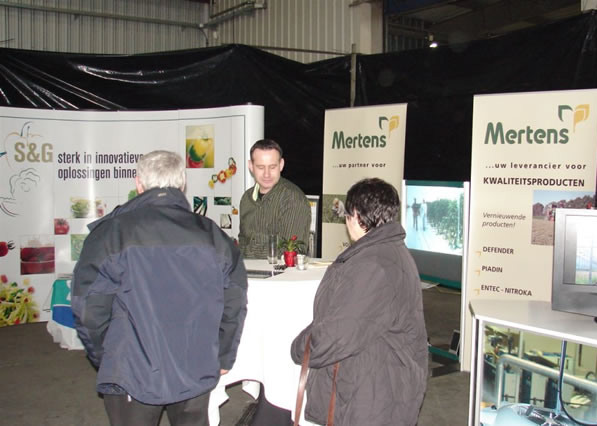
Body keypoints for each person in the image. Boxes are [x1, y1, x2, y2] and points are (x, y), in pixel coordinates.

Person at [71, 150, 248, 426]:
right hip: (196, 366)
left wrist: (106, 356)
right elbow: (234, 300)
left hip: (131, 372)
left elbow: (88, 309)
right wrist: (223, 354)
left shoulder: (112, 233)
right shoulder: (213, 234)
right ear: (182, 183)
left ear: (138, 183)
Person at [291, 178, 429, 426]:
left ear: (355, 215)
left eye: (347, 215)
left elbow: (340, 332)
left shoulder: (372, 265)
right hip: (380, 384)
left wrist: (301, 348)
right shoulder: (388, 251)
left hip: (375, 395)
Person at [239, 139, 311, 258]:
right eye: (260, 167)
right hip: (247, 269)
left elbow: (290, 250)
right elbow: (242, 239)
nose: (266, 174)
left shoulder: (293, 199)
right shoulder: (246, 198)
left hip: (280, 270)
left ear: (281, 165)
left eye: (272, 167)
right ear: (251, 166)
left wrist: (243, 252)